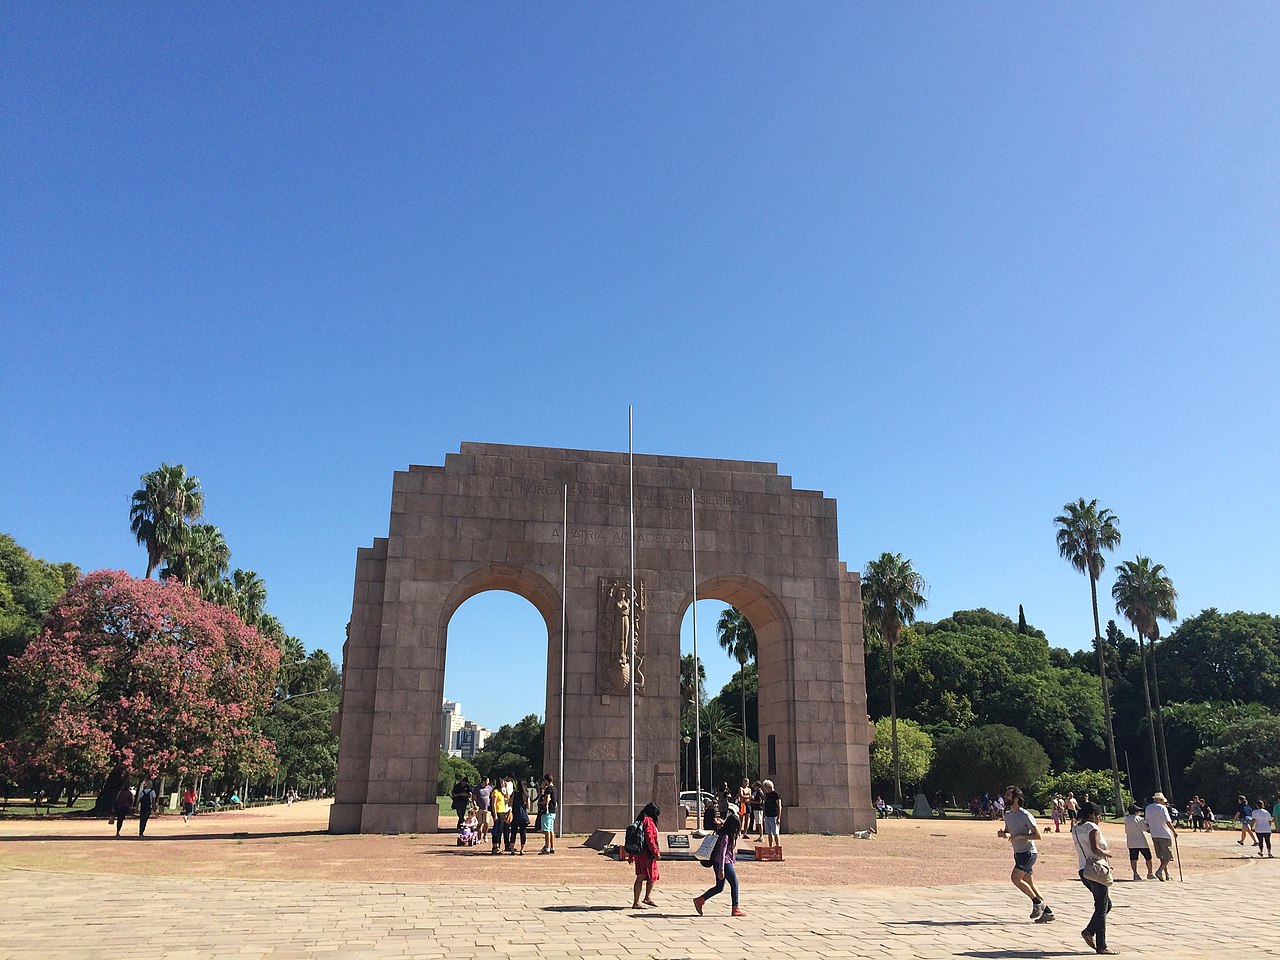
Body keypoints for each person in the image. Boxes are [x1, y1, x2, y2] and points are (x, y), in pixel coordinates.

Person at [997, 785, 1055, 923]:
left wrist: (1022, 837)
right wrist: (1003, 834)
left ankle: (1036, 903)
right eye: (1006, 795)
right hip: (1018, 852)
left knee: (1015, 878)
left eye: (1008, 795)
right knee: (1030, 883)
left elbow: (1038, 836)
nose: (1005, 798)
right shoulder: (1008, 814)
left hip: (1028, 853)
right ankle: (1048, 912)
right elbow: (1008, 831)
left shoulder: (1025, 815)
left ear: (1016, 798)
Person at [1073, 801, 1118, 955]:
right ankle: (1101, 945)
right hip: (1095, 869)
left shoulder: (1076, 828)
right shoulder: (1093, 827)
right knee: (1101, 906)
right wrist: (1107, 853)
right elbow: (1095, 849)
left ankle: (1089, 930)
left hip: (1083, 869)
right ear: (1093, 815)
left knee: (1106, 905)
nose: (1099, 819)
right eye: (1098, 815)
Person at [694, 809, 745, 917]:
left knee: (719, 887)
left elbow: (726, 822)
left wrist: (721, 821)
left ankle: (700, 900)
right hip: (724, 863)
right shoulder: (726, 837)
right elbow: (722, 853)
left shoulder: (722, 832)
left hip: (718, 862)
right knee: (734, 883)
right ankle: (735, 908)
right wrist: (721, 869)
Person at [630, 802, 661, 909]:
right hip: (647, 854)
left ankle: (646, 898)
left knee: (649, 875)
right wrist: (655, 852)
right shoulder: (648, 821)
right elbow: (649, 838)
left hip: (639, 853)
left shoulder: (639, 820)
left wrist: (631, 855)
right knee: (644, 876)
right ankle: (637, 901)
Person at [1145, 791, 1177, 881]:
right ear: (1161, 800)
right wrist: (1174, 831)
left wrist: (1150, 829)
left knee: (1161, 855)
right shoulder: (1162, 808)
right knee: (1167, 856)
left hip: (1154, 834)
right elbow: (1168, 821)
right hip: (1164, 834)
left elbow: (1147, 822)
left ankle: (1166, 873)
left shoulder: (1148, 808)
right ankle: (1160, 871)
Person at [1124, 803, 1154, 880]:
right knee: (1148, 857)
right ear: (1136, 812)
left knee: (1133, 858)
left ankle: (1135, 873)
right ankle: (1150, 873)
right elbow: (1145, 829)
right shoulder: (1139, 819)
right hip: (1141, 841)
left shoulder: (1126, 819)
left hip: (1131, 841)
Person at [538, 774, 558, 854]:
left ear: (546, 780)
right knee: (551, 830)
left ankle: (547, 847)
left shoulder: (548, 789)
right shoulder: (555, 788)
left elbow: (547, 800)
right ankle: (552, 847)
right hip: (553, 812)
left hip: (547, 811)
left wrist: (540, 803)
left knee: (546, 830)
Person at [490, 780, 510, 855]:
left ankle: (498, 846)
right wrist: (494, 815)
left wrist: (506, 788)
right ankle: (495, 846)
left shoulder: (501, 792)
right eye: (502, 783)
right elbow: (493, 804)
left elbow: (507, 797)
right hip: (497, 812)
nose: (503, 784)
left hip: (502, 812)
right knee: (497, 830)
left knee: (500, 830)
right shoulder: (495, 792)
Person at [761, 779, 782, 849]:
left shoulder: (776, 794)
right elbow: (765, 805)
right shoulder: (767, 794)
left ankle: (778, 847)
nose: (765, 789)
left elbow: (779, 806)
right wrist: (764, 814)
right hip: (767, 816)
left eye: (766, 787)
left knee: (775, 833)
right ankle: (770, 847)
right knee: (769, 833)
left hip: (774, 815)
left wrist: (779, 817)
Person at [473, 777, 492, 844]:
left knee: (486, 822)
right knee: (480, 823)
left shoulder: (489, 788)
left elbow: (491, 797)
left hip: (487, 808)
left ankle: (485, 835)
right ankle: (479, 837)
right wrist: (475, 805)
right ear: (483, 781)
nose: (488, 783)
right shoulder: (477, 788)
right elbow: (474, 798)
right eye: (487, 781)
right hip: (479, 809)